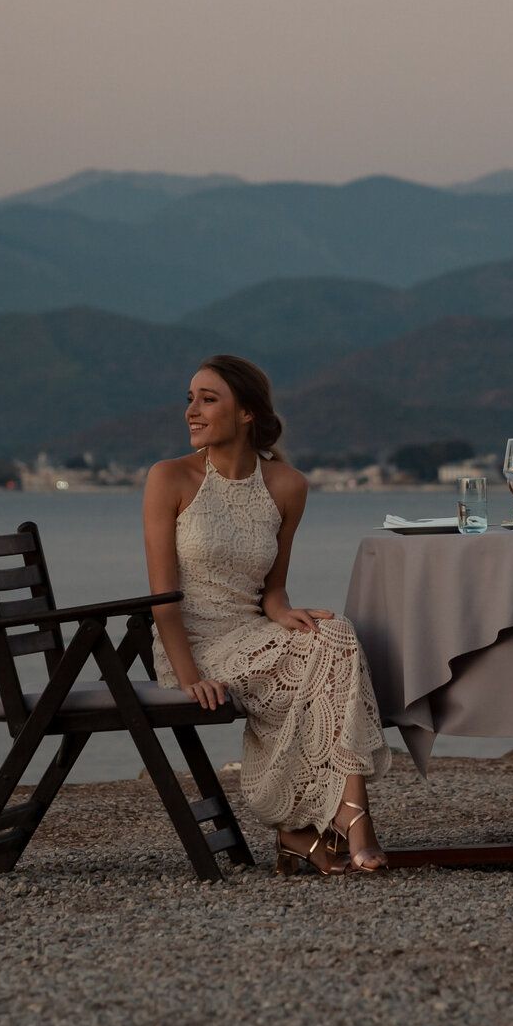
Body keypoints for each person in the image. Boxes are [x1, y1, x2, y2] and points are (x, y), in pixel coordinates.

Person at [143, 354, 391, 874]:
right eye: (190, 399)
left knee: (333, 632)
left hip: (252, 633)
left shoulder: (287, 485)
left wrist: (284, 613)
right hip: (192, 648)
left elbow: (272, 589)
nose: (192, 410)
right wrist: (189, 679)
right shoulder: (169, 478)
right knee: (325, 654)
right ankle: (344, 819)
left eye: (208, 399)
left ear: (247, 412)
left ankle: (314, 828)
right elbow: (162, 597)